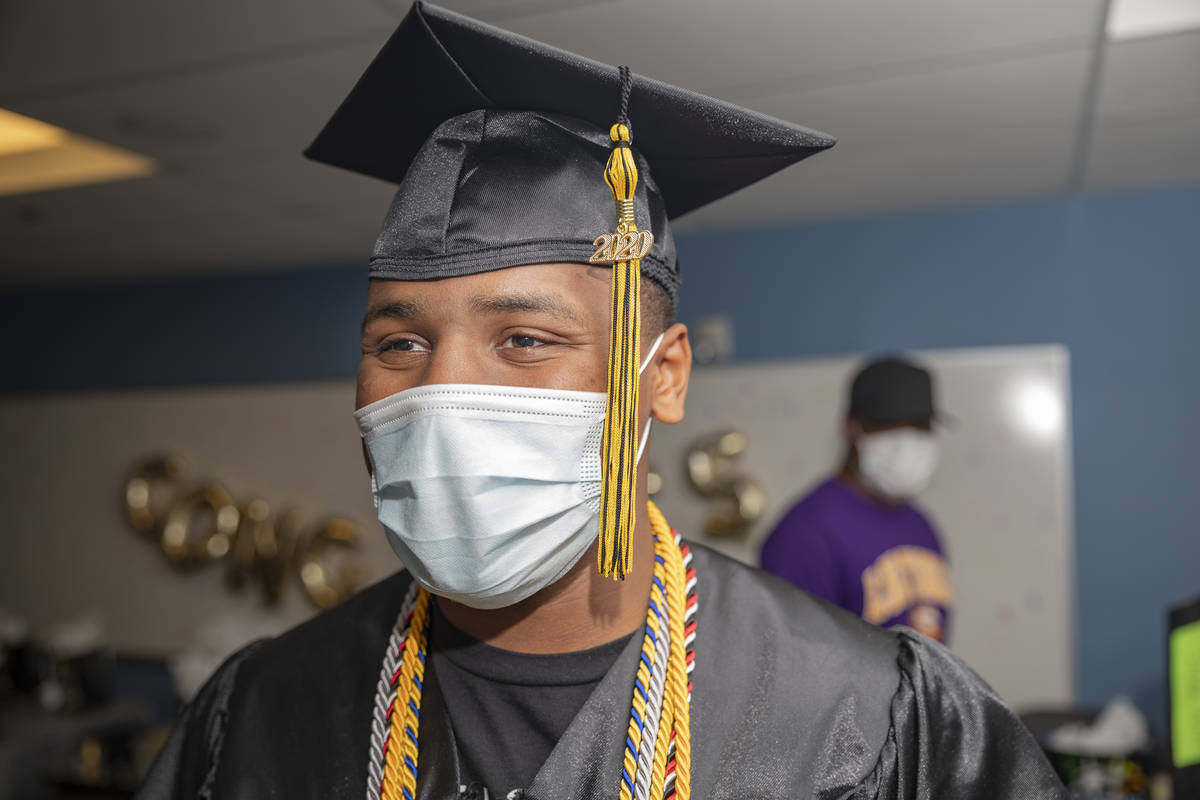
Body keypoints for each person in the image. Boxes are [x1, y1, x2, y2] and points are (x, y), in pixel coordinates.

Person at [136, 4, 1065, 798]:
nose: (444, 390)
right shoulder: (262, 714)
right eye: (400, 342)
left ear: (663, 375)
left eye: (525, 340)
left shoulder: (861, 712)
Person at [760, 356, 953, 642]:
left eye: (920, 425)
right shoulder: (807, 532)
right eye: (889, 424)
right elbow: (795, 658)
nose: (907, 440)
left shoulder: (921, 525)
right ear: (852, 427)